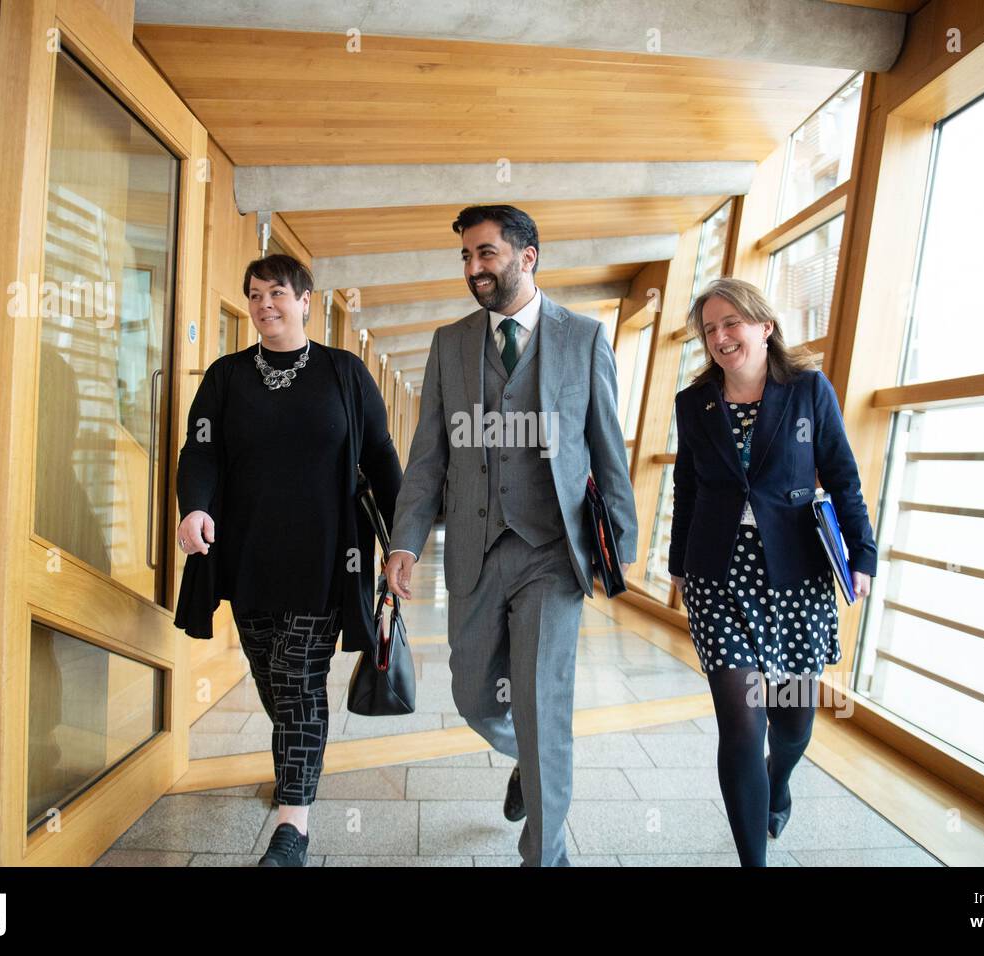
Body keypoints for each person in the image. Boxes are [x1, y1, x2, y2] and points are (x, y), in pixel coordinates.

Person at [383, 205, 637, 866]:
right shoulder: (450, 343)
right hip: (475, 548)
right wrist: (404, 540)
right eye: (466, 257)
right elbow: (428, 456)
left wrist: (620, 550)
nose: (473, 269)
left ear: (528, 257)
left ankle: (545, 855)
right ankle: (529, 755)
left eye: (486, 253)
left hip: (554, 554)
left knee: (544, 705)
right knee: (473, 696)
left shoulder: (582, 338)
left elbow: (608, 450)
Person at [172, 253, 401, 867]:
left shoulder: (344, 372)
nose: (264, 305)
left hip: (326, 560)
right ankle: (297, 757)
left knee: (298, 681)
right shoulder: (225, 377)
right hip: (248, 560)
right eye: (254, 295)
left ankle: (293, 824)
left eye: (277, 293)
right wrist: (194, 507)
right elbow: (200, 454)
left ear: (305, 301)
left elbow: (380, 455)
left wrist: (401, 544)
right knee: (273, 679)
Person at [668, 277, 876, 867]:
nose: (720, 336)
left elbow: (842, 475)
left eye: (732, 322)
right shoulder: (694, 403)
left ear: (765, 326)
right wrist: (679, 567)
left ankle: (778, 781)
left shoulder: (808, 391)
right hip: (720, 578)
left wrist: (862, 555)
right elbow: (687, 489)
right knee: (740, 726)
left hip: (796, 576)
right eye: (709, 328)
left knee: (791, 725)